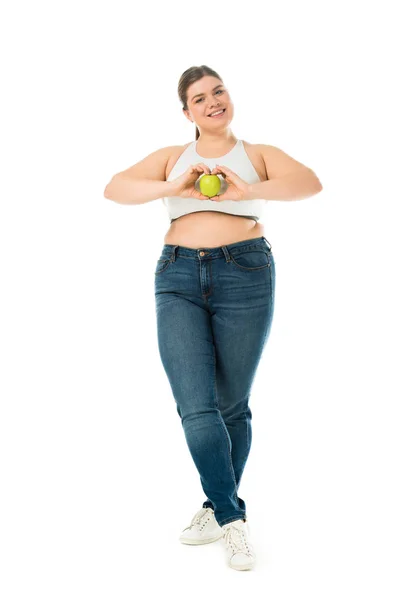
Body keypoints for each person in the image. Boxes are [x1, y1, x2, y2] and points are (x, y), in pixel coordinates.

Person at [104, 65, 323, 571]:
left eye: (218, 91)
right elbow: (115, 188)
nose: (212, 101)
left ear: (229, 97)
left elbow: (309, 183)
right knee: (196, 407)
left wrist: (245, 191)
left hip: (246, 273)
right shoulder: (172, 158)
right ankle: (230, 517)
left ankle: (213, 506)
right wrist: (174, 183)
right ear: (188, 113)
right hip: (177, 278)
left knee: (231, 408)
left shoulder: (258, 154)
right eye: (200, 98)